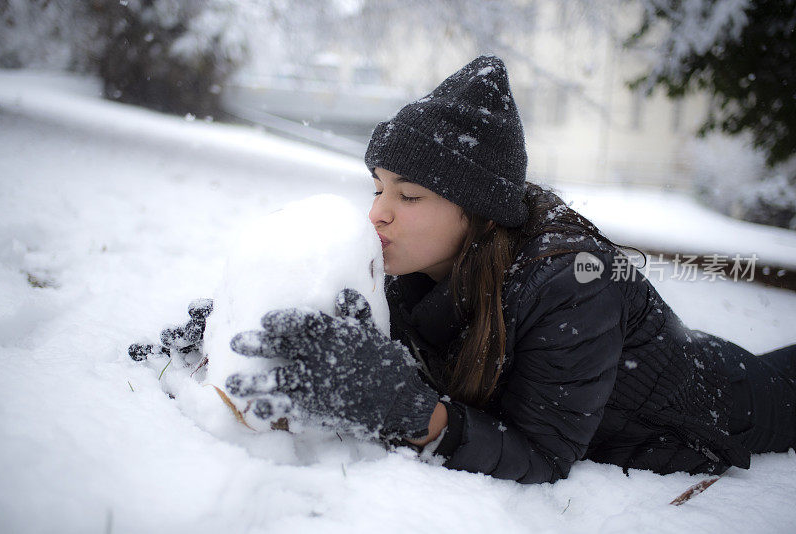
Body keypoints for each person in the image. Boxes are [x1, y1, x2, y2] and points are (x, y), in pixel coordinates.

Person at [132, 55, 796, 484]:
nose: (378, 214)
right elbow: (371, 342)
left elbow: (542, 455)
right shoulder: (414, 257)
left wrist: (417, 415)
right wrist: (247, 328)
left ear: (475, 212)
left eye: (409, 195)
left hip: (717, 407)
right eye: (378, 187)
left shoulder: (572, 285)